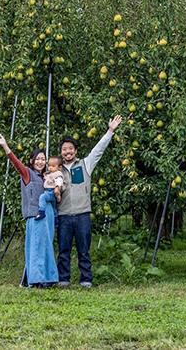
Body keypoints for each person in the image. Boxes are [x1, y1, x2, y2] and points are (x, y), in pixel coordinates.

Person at [57, 115, 123, 288]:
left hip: (83, 215)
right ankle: (63, 279)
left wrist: (110, 131)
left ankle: (86, 279)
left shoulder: (85, 164)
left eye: (70, 148)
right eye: (64, 149)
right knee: (63, 250)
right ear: (61, 152)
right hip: (63, 216)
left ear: (76, 151)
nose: (67, 152)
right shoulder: (56, 170)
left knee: (83, 250)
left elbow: (98, 150)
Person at [0, 135, 58, 288]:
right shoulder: (28, 174)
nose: (40, 162)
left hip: (49, 216)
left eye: (43, 159)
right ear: (32, 161)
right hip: (35, 215)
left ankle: (43, 278)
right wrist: (5, 146)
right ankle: (36, 280)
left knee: (46, 247)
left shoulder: (48, 177)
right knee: (35, 248)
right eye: (37, 159)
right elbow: (15, 162)